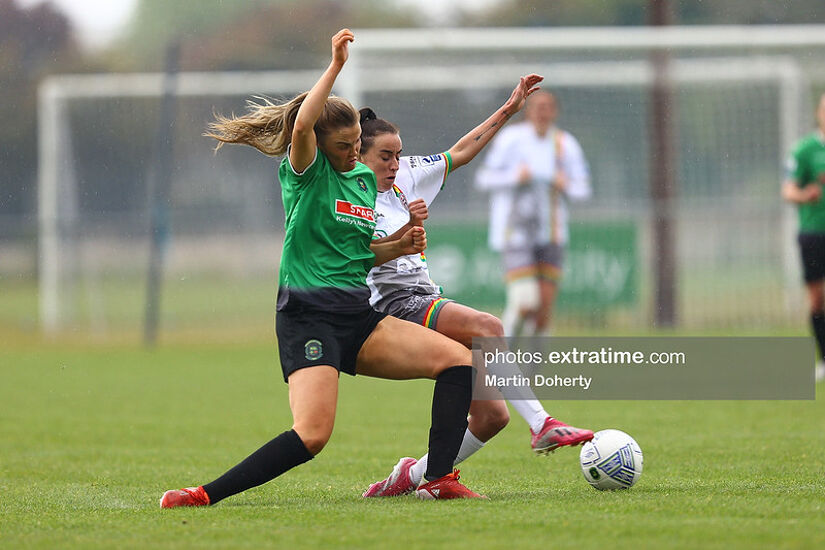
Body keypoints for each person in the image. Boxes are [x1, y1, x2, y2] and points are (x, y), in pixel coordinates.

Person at [160, 29, 486, 507]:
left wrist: (398, 246)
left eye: (357, 141)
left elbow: (359, 254)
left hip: (358, 316)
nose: (354, 151)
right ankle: (203, 495)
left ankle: (436, 479)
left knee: (460, 363)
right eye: (344, 144)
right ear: (318, 143)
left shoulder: (358, 178)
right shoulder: (307, 172)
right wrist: (335, 67)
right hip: (308, 317)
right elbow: (300, 127)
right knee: (312, 435)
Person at [357, 75, 594, 498]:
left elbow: (459, 152)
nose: (395, 164)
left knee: (491, 418)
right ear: (359, 156)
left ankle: (410, 479)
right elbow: (360, 253)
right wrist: (408, 231)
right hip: (392, 305)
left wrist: (509, 109)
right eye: (385, 157)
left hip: (423, 297)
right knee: (487, 324)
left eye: (398, 155)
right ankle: (542, 424)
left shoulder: (407, 175)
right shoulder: (347, 193)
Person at [475, 91, 591, 337]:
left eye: (548, 106)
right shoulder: (510, 139)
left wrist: (565, 185)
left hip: (552, 233)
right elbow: (484, 179)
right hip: (515, 232)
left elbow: (583, 190)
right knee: (525, 302)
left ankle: (529, 373)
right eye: (538, 106)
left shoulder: (565, 143)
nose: (542, 111)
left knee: (543, 310)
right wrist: (515, 177)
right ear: (528, 110)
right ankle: (500, 363)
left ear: (555, 112)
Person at [782, 92, 825, 383]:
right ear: (818, 112)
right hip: (813, 233)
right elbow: (787, 190)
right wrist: (805, 195)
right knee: (818, 298)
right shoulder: (804, 150)